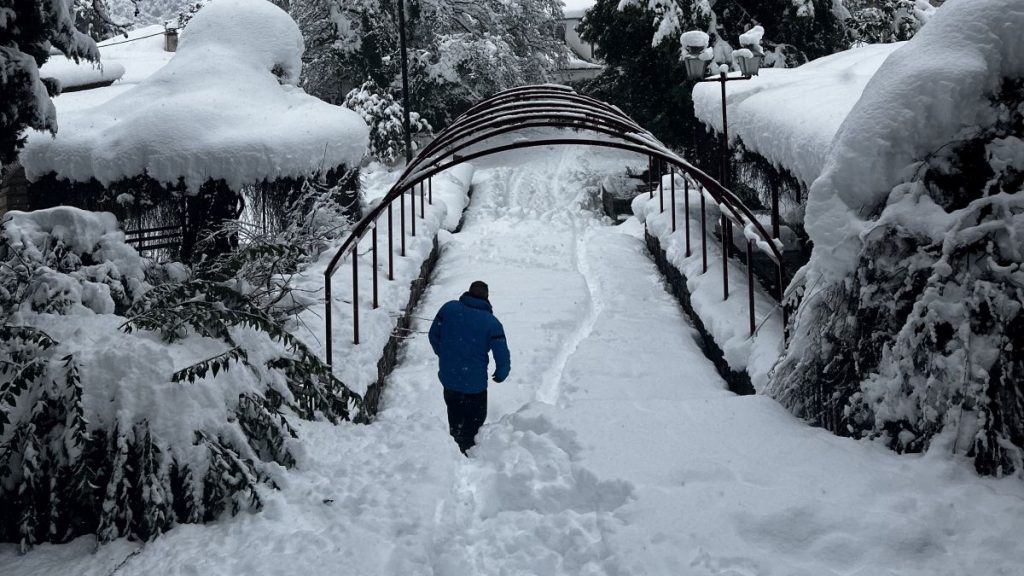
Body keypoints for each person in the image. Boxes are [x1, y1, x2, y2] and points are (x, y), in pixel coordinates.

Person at [428, 280, 511, 454]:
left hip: (450, 379)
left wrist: (443, 354)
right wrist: (502, 373)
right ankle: (469, 452)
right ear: (487, 297)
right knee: (474, 423)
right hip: (475, 385)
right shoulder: (491, 323)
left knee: (455, 414)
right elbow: (501, 353)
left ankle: (455, 448)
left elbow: (433, 334)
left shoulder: (449, 309)